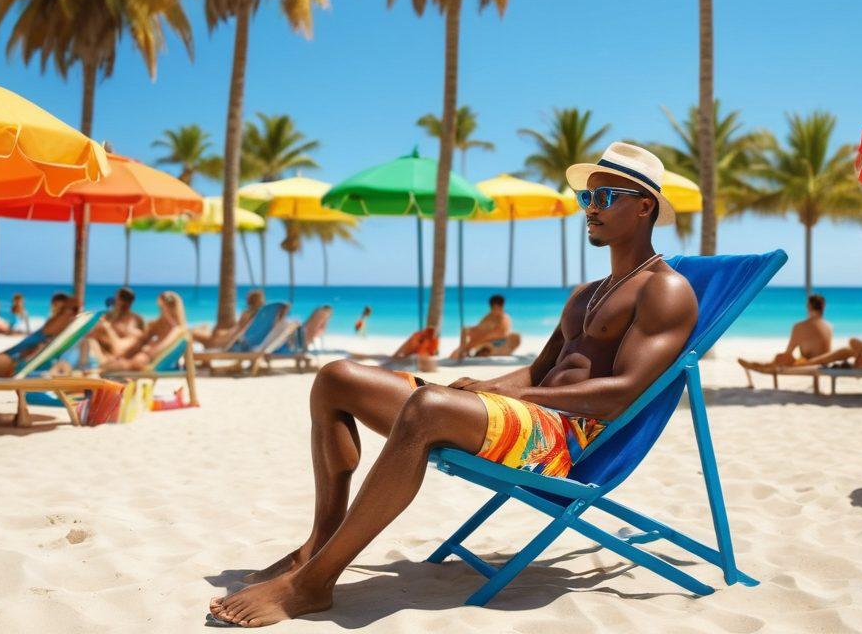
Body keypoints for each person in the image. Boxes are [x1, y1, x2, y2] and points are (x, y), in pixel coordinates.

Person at [207, 142, 697, 627]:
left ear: (644, 207)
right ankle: (315, 546)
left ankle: (313, 583)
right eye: (585, 198)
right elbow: (536, 371)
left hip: (566, 437)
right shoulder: (588, 293)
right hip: (526, 415)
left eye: (604, 197)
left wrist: (514, 395)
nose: (590, 209)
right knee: (336, 378)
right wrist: (486, 386)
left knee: (427, 407)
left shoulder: (665, 289)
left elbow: (623, 394)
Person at [738, 294, 832, 372]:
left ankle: (756, 365)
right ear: (823, 307)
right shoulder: (829, 326)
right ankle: (758, 364)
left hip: (809, 364)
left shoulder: (800, 326)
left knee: (780, 357)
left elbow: (789, 352)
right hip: (826, 363)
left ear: (809, 306)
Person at [100, 291, 187, 372]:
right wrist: (123, 356)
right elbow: (141, 342)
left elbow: (160, 349)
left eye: (163, 308)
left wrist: (145, 352)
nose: (163, 312)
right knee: (111, 363)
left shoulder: (177, 330)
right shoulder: (158, 324)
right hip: (143, 357)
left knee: (110, 367)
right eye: (161, 308)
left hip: (147, 360)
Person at [193, 290, 268, 350]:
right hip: (233, 341)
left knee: (193, 334)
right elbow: (239, 331)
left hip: (226, 343)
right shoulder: (262, 317)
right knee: (205, 329)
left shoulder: (247, 315)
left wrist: (224, 336)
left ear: (249, 301)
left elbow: (237, 332)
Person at [450, 294, 518, 359]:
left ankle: (466, 351)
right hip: (487, 342)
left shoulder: (503, 317)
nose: (494, 309)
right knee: (465, 330)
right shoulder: (490, 316)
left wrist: (473, 344)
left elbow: (501, 333)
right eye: (493, 307)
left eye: (495, 307)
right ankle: (465, 350)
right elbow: (481, 328)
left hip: (496, 343)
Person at [90, 287, 146, 360]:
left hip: (124, 353)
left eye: (127, 299)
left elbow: (144, 340)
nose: (124, 302)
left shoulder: (137, 319)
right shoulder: (107, 318)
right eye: (122, 299)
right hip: (110, 354)